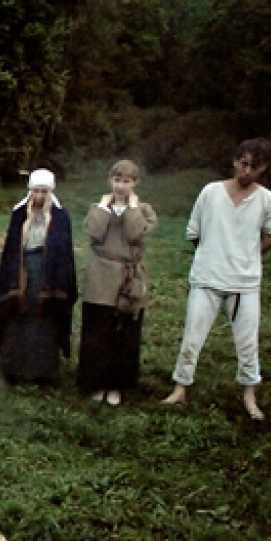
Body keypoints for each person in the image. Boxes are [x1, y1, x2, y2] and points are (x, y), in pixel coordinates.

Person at [162, 139, 271, 420]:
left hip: (245, 282)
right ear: (235, 161)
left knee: (248, 342)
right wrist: (212, 255)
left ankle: (249, 395)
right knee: (192, 336)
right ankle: (180, 388)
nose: (247, 170)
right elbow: (194, 232)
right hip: (207, 277)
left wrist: (248, 257)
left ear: (263, 168)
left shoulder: (267, 200)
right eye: (244, 163)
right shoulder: (211, 192)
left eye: (254, 166)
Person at [77, 160, 158, 406]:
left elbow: (135, 234)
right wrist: (103, 207)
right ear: (110, 180)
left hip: (129, 277)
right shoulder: (99, 207)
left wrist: (131, 208)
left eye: (126, 181)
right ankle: (96, 383)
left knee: (124, 335)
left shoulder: (144, 211)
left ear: (135, 183)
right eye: (116, 180)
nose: (120, 186)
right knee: (97, 333)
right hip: (101, 276)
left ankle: (116, 385)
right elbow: (93, 231)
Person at [0, 169, 77, 386]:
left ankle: (44, 371)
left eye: (44, 192)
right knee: (19, 315)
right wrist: (29, 219)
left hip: (48, 271)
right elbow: (14, 244)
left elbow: (61, 247)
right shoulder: (19, 212)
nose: (39, 196)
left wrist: (47, 217)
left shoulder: (60, 215)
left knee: (44, 317)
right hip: (22, 268)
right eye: (36, 191)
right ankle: (15, 369)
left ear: (51, 192)